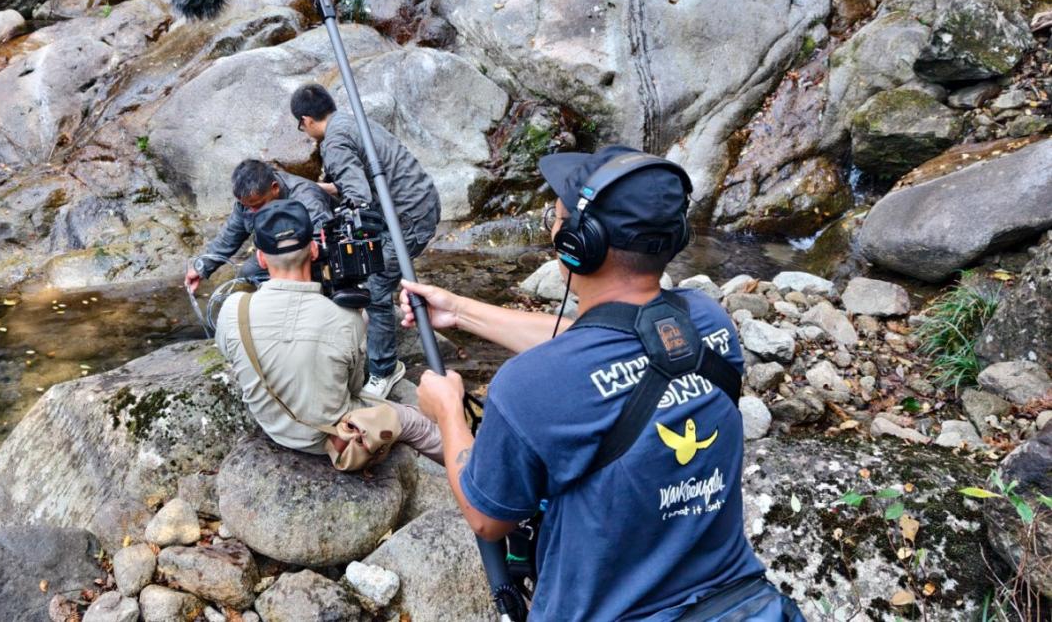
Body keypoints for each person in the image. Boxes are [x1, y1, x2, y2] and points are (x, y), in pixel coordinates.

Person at [404, 146, 798, 621]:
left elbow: (487, 519)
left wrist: (447, 412)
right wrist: (461, 310)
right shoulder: (710, 323)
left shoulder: (527, 386)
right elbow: (603, 344)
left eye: (557, 219)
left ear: (578, 243)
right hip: (739, 605)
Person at [214, 199, 443, 466]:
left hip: (273, 427)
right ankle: (473, 473)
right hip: (328, 437)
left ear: (261, 259)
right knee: (418, 423)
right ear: (313, 250)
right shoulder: (346, 319)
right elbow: (355, 387)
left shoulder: (233, 309)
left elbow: (231, 354)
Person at [290, 83, 440, 398]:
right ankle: (376, 337)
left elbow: (359, 199)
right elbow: (362, 180)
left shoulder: (334, 142)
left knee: (374, 286)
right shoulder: (349, 121)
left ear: (306, 120)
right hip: (419, 202)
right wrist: (329, 189)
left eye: (300, 126)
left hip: (407, 218)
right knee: (372, 277)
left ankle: (385, 369)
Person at [185, 159, 332, 293]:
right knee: (249, 272)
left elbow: (323, 242)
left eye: (258, 206)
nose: (253, 212)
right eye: (247, 207)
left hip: (312, 252)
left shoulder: (306, 196)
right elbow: (229, 236)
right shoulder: (248, 204)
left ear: (274, 188)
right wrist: (201, 266)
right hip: (276, 250)